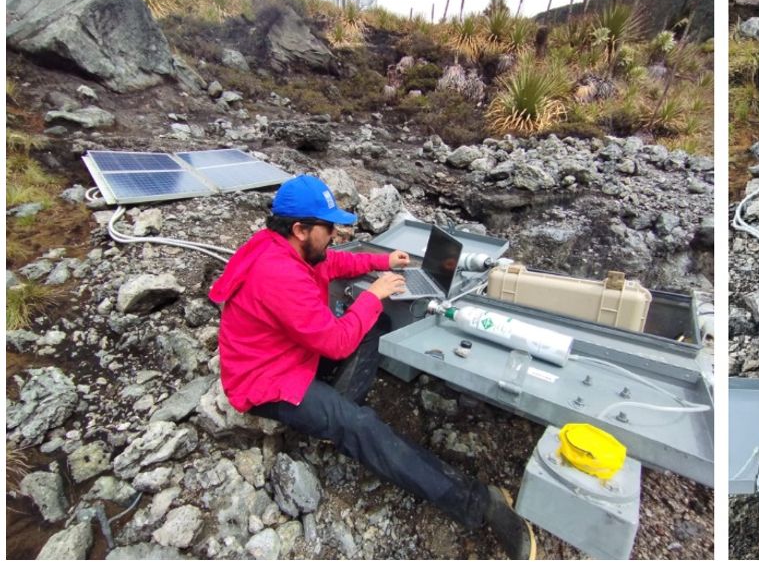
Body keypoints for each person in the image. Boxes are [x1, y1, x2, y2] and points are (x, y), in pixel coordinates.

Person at [208, 174, 535, 559]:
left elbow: (332, 262)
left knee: (372, 326)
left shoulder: (286, 246)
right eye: (328, 227)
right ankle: (479, 504)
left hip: (291, 355)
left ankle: (336, 414)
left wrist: (382, 262)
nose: (333, 235)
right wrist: (375, 294)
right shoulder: (278, 273)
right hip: (266, 380)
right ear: (300, 229)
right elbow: (335, 341)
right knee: (360, 423)